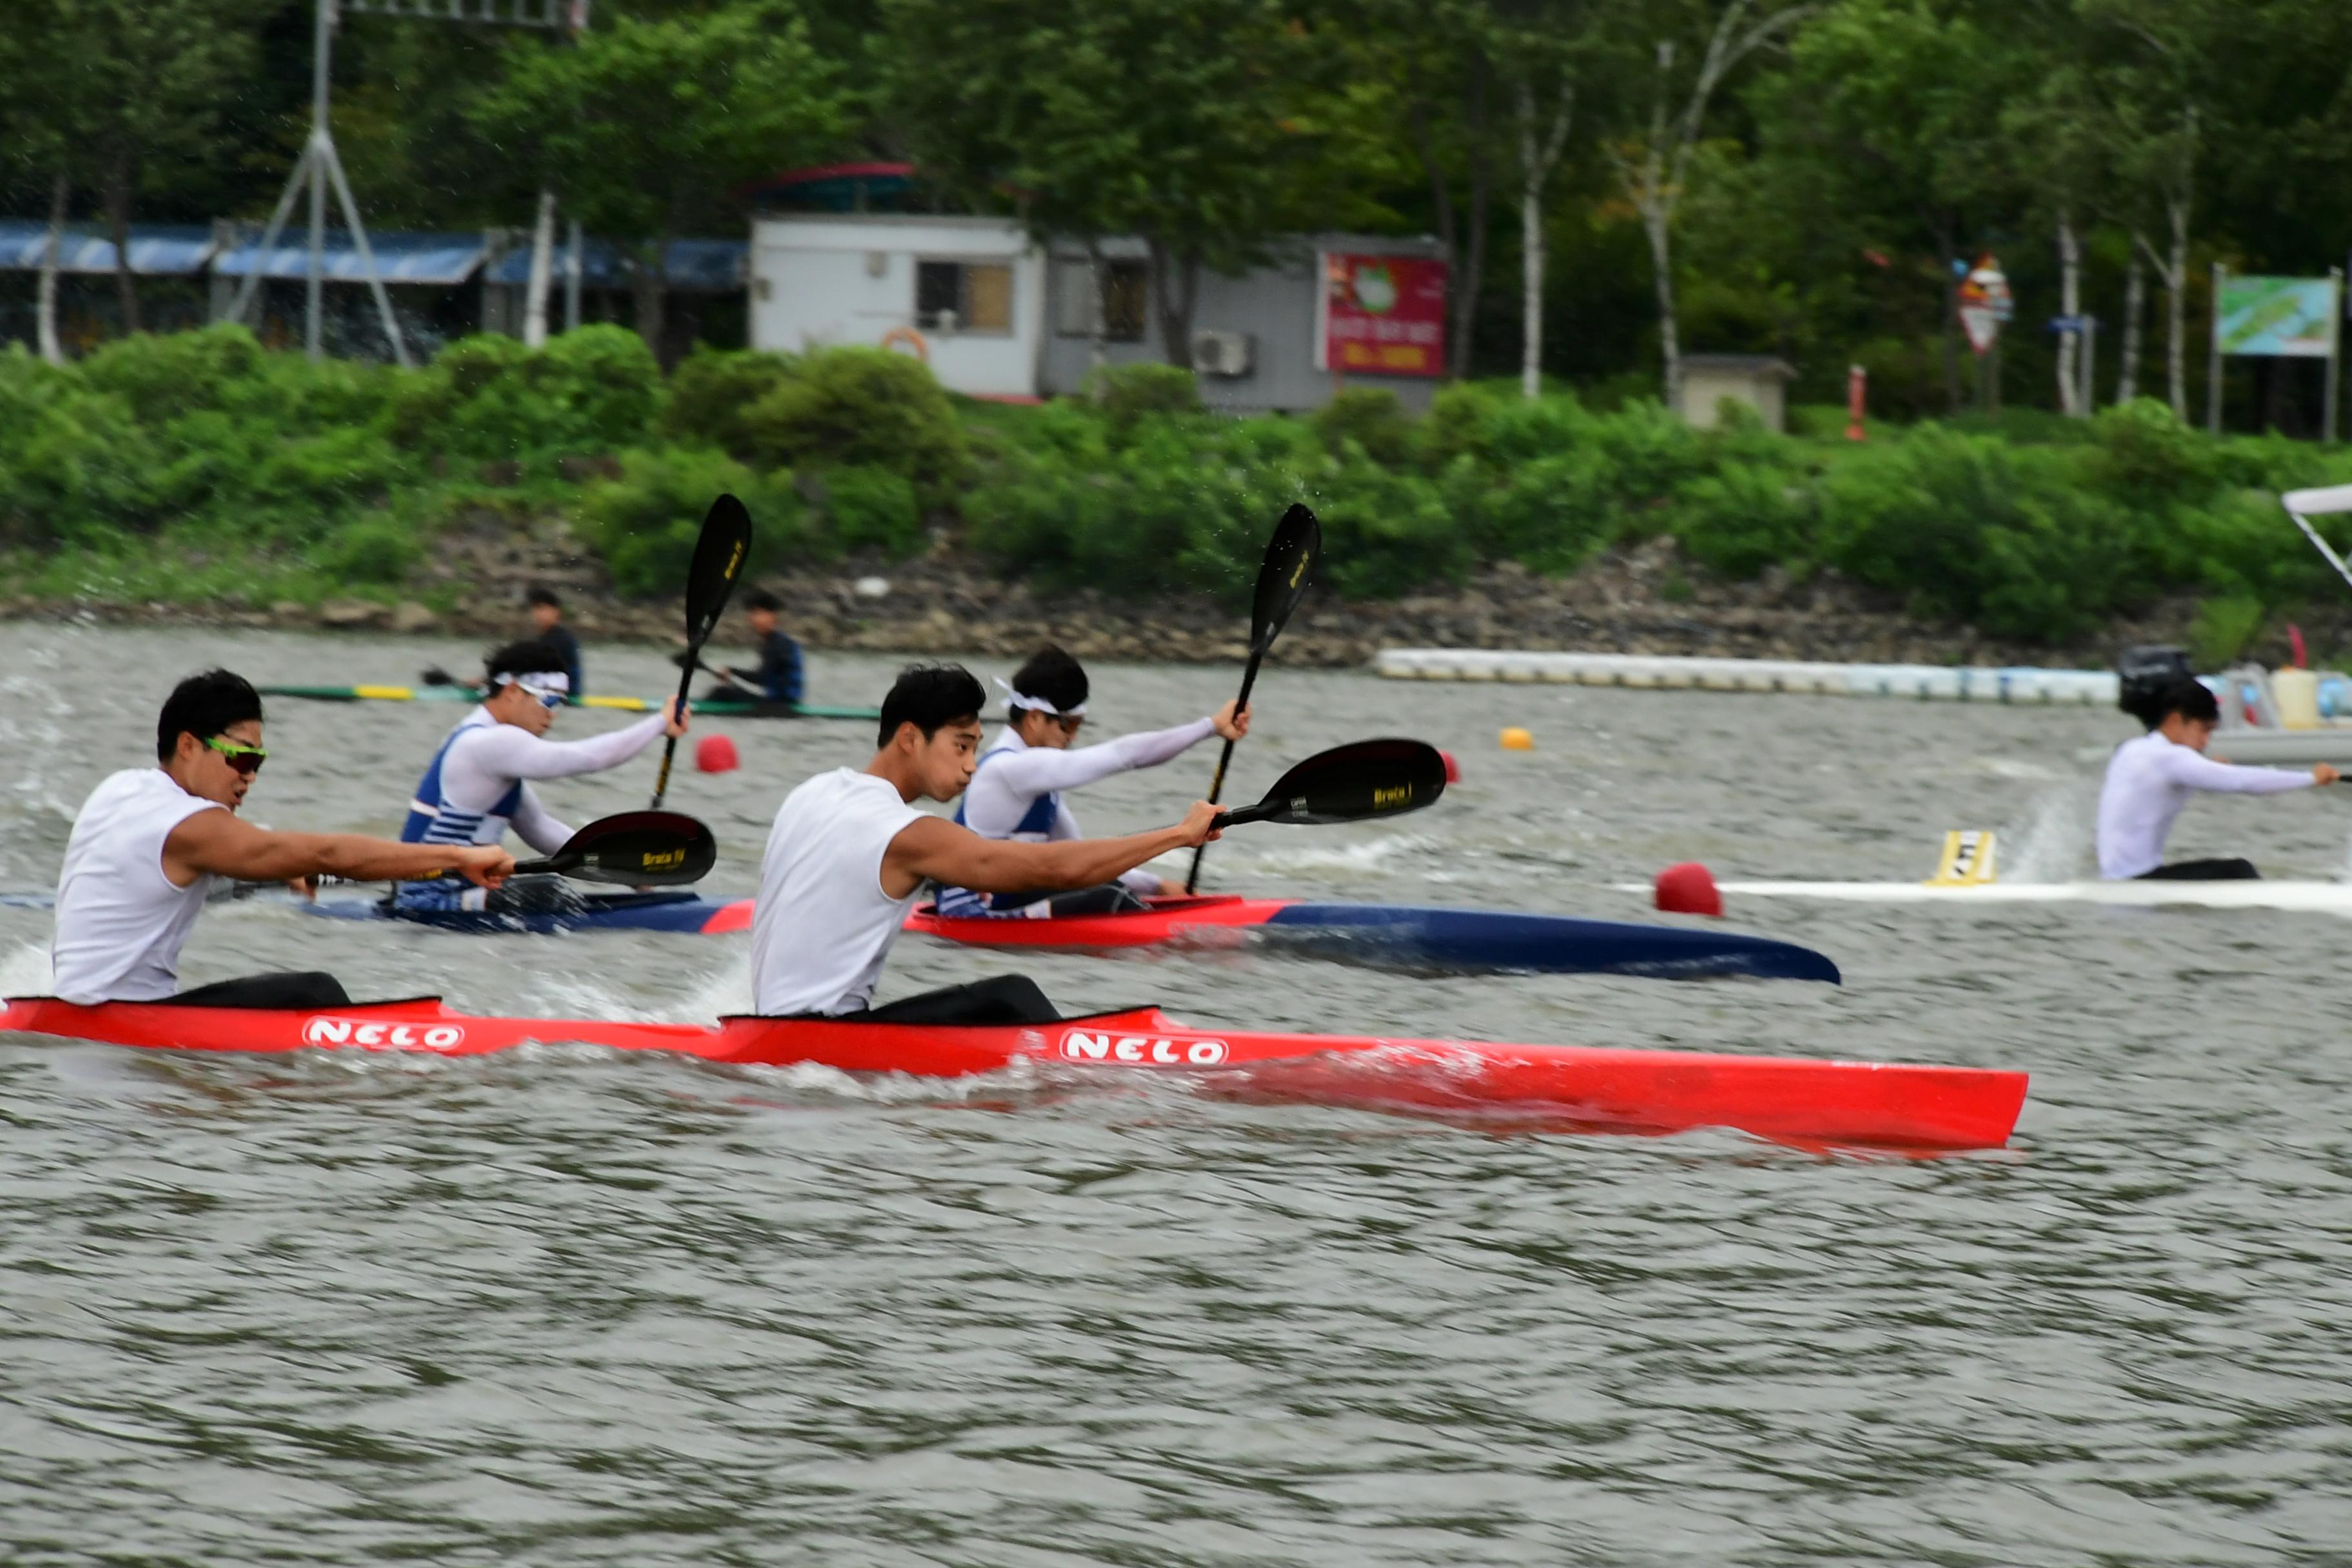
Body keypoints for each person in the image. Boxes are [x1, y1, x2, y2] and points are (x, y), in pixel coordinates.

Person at [748, 663, 1222, 1022]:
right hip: (818, 1036)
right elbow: (1057, 871)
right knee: (1010, 996)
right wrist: (1178, 835)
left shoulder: (810, 792)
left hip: (765, 1024)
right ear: (910, 738)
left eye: (976, 747)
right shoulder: (908, 834)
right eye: (962, 746)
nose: (973, 766)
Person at [50, 670, 513, 1008]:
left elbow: (167, 877)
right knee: (315, 992)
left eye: (258, 763)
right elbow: (327, 853)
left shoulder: (121, 789)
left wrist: (281, 872)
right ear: (188, 745)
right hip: (122, 1016)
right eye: (241, 760)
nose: (249, 777)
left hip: (73, 1005)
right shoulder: (191, 825)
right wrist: (457, 857)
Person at [934, 645, 1248, 919]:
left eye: (1079, 725)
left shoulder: (1038, 782)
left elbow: (1084, 862)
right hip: (971, 912)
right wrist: (1211, 726)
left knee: (1106, 885)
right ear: (1034, 717)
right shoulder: (1008, 768)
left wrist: (1160, 886)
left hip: (1010, 896)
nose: (1073, 737)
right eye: (1068, 725)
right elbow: (1124, 756)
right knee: (1111, 897)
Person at [395, 638, 686, 914]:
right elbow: (589, 758)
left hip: (453, 889)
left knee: (548, 888)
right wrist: (659, 723)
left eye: (560, 703)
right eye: (549, 701)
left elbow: (540, 829)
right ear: (511, 691)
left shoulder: (483, 743)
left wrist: (627, 873)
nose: (554, 714)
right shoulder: (488, 743)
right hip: (428, 899)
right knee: (548, 890)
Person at [2095, 674, 2338, 880]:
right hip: (2138, 882)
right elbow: (2243, 782)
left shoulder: (2133, 750)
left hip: (2116, 877)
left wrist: (2207, 768)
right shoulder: (2173, 759)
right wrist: (2311, 778)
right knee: (2240, 871)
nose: (2206, 741)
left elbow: (2158, 790)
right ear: (2176, 720)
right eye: (2204, 730)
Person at [703, 589, 803, 707]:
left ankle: (691, 711)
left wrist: (732, 671)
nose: (754, 619)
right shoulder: (774, 641)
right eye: (752, 613)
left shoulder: (778, 644)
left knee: (721, 693)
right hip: (779, 701)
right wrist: (733, 674)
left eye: (759, 613)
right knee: (726, 691)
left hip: (783, 704)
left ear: (773, 616)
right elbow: (765, 679)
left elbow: (761, 678)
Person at [527, 585, 585, 698]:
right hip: (548, 694)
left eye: (542, 608)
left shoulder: (563, 639)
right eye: (535, 609)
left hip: (567, 698)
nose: (538, 614)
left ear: (556, 611)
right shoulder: (543, 638)